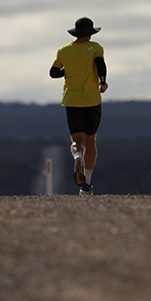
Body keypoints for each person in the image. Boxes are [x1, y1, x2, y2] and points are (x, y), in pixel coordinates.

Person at [50, 17, 108, 196]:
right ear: (90, 33)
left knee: (76, 141)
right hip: (91, 99)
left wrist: (67, 71)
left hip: (71, 100)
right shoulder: (96, 48)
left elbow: (53, 73)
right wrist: (103, 82)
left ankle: (77, 156)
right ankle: (86, 185)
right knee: (90, 140)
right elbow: (100, 65)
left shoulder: (64, 51)